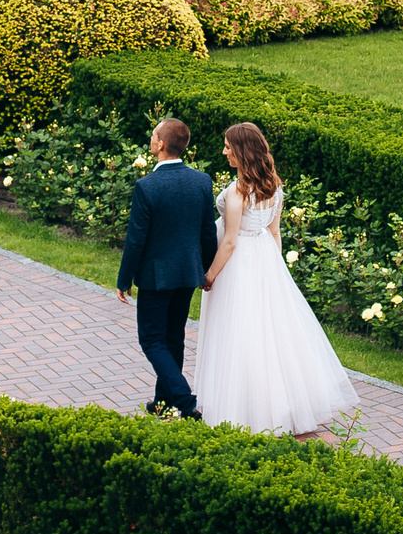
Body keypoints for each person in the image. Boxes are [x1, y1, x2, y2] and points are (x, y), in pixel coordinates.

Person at [189, 121, 357, 436]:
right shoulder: (274, 186)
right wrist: (275, 271)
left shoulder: (238, 191)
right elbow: (274, 233)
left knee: (238, 333)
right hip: (265, 258)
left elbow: (229, 241)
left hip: (239, 264)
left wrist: (209, 275)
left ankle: (243, 410)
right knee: (268, 333)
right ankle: (277, 405)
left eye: (228, 147)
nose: (224, 151)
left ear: (241, 151)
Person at [115, 116, 217, 417]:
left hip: (156, 278)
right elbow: (207, 232)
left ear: (160, 144)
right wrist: (206, 270)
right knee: (173, 337)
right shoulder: (202, 181)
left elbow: (136, 240)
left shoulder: (147, 186)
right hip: (187, 273)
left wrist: (124, 279)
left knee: (151, 340)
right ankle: (163, 403)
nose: (151, 137)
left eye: (154, 133)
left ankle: (185, 402)